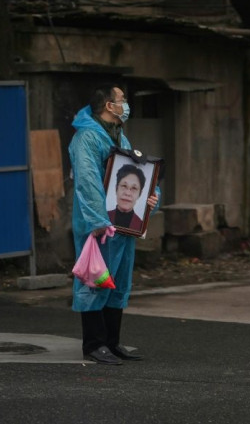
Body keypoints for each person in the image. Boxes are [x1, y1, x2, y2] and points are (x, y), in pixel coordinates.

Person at [68, 84, 160, 365]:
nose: (125, 104)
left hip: (121, 225)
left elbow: (136, 174)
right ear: (109, 105)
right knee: (95, 279)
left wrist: (148, 201)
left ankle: (112, 341)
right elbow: (87, 181)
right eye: (122, 100)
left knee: (118, 281)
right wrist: (98, 220)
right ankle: (94, 344)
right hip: (100, 225)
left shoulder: (120, 136)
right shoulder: (87, 138)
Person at [108, 164, 146, 230]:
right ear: (116, 188)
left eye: (134, 188)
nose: (127, 193)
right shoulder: (103, 219)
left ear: (140, 194)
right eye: (124, 186)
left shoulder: (141, 226)